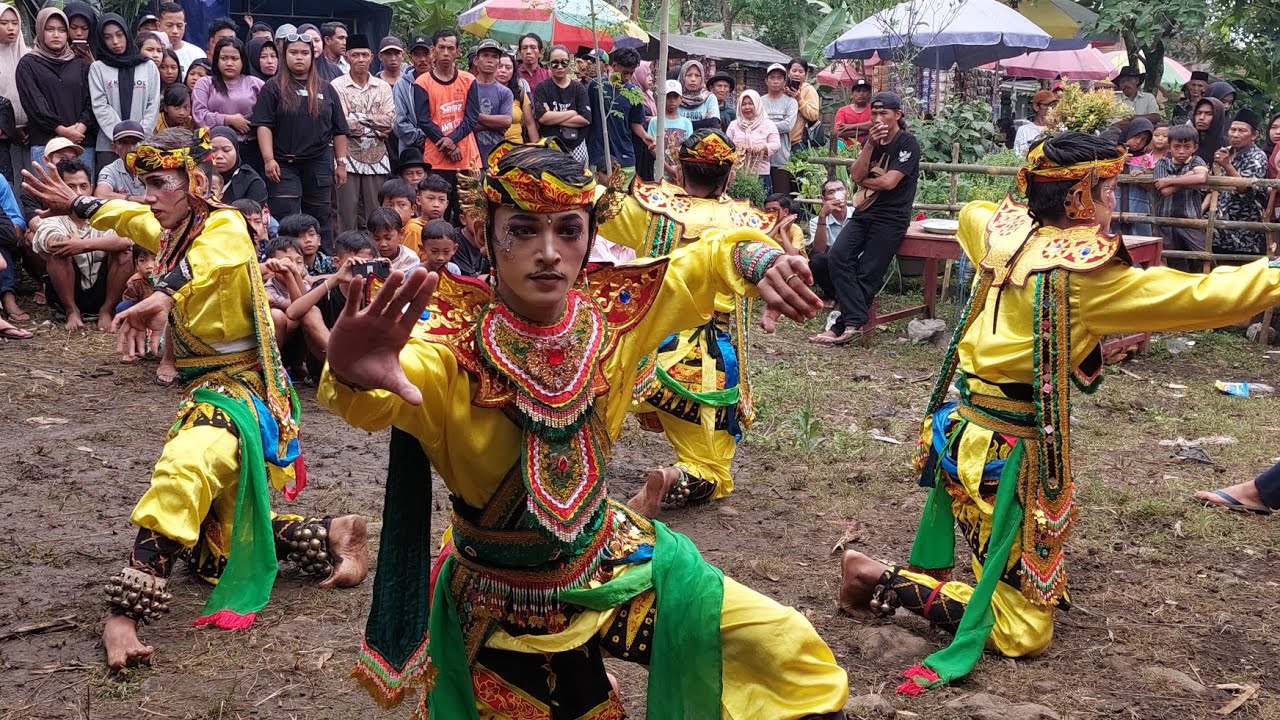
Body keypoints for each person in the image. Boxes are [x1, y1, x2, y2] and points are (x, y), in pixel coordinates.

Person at [320, 139, 849, 719]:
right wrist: (351, 371)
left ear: (590, 236)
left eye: (568, 230)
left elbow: (705, 259)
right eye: (522, 230)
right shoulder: (449, 344)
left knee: (791, 651)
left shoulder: (618, 310)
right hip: (504, 599)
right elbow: (389, 389)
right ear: (481, 233)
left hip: (609, 558)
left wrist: (758, 260)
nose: (549, 252)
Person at [836, 130, 1280, 694]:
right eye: (1108, 191)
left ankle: (1004, 575)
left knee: (1024, 553)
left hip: (961, 428)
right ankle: (875, 577)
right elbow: (1210, 296)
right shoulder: (1084, 279)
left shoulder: (997, 234)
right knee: (1024, 633)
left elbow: (976, 211)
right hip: (1003, 451)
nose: (1112, 204)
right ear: (1077, 200)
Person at [31, 129, 372, 669]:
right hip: (209, 384)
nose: (149, 195)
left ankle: (123, 615)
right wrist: (77, 202)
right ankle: (330, 531)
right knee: (216, 546)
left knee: (186, 465)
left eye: (160, 183)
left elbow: (209, 262)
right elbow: (123, 217)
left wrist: (163, 294)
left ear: (194, 183)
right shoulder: (169, 228)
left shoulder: (226, 226)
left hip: (239, 386)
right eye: (144, 183)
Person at [597, 129, 776, 513]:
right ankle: (680, 476)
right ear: (728, 177)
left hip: (638, 348)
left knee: (598, 418)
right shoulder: (746, 224)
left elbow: (594, 209)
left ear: (678, 172)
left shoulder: (651, 209)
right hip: (702, 363)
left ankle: (582, 469)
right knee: (714, 470)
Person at [811, 91, 920, 346]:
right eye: (875, 113)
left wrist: (863, 181)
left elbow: (889, 182)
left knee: (868, 271)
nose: (879, 118)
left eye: (884, 113)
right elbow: (854, 172)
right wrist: (869, 144)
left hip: (891, 218)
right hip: (864, 212)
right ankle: (853, 321)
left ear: (897, 115)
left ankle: (844, 325)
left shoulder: (907, 143)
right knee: (837, 256)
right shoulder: (870, 141)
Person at [252, 29, 350, 251]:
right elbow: (263, 125)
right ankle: (285, 263)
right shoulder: (273, 88)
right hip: (283, 163)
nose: (299, 57)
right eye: (293, 52)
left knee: (320, 218)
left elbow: (339, 130)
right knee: (286, 216)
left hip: (319, 162)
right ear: (284, 55)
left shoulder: (326, 88)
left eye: (304, 53)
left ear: (312, 55)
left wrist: (341, 163)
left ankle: (324, 265)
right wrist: (268, 159)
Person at [32, 157, 132, 331]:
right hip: (67, 293)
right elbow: (53, 242)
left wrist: (83, 245)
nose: (78, 193)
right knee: (58, 253)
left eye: (83, 186)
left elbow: (125, 240)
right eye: (70, 187)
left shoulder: (106, 214)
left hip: (103, 289)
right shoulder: (53, 218)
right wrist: (92, 244)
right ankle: (72, 312)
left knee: (125, 253)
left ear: (92, 188)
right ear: (59, 190)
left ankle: (107, 310)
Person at [17, 8, 95, 171]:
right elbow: (35, 104)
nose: (56, 35)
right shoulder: (28, 64)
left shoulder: (80, 62)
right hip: (45, 144)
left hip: (81, 143)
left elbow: (92, 99)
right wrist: (61, 130)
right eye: (49, 29)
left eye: (61, 30)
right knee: (48, 195)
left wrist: (81, 127)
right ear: (39, 30)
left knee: (82, 193)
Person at [415, 28, 480, 220]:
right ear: (432, 50)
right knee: (436, 213)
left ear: (458, 51)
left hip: (467, 158)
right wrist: (448, 145)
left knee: (469, 213)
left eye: (450, 48)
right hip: (436, 159)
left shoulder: (468, 80)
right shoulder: (423, 82)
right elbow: (423, 120)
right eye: (441, 47)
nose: (445, 53)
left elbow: (472, 118)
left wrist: (451, 141)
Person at [332, 34, 394, 233]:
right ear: (347, 57)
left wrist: (357, 119)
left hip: (377, 157)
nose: (360, 59)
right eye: (355, 55)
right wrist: (373, 122)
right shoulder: (337, 85)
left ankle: (376, 254)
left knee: (376, 213)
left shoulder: (383, 87)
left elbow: (389, 122)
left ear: (372, 57)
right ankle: (346, 254)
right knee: (346, 212)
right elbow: (340, 124)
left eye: (364, 55)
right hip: (346, 156)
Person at [89, 13, 160, 173]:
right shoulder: (98, 68)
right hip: (109, 145)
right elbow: (100, 105)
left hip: (142, 143)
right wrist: (120, 136)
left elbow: (153, 105)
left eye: (119, 35)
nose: (115, 42)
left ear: (127, 34)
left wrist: (137, 136)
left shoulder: (148, 66)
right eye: (108, 37)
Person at [193, 37, 264, 173]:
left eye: (234, 58)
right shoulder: (205, 83)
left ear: (243, 60)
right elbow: (199, 115)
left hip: (250, 149)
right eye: (224, 58)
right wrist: (228, 120)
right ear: (216, 60)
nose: (229, 63)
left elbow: (267, 115)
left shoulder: (256, 84)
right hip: (213, 148)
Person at [586, 46, 649, 183]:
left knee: (622, 199)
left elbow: (634, 122)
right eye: (625, 72)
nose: (628, 77)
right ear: (614, 66)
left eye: (631, 73)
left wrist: (644, 136)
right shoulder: (596, 87)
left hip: (624, 154)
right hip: (598, 154)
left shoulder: (634, 92)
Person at [1152, 124, 1209, 271]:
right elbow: (1164, 191)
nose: (1181, 151)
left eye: (1187, 147)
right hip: (1167, 221)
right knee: (1174, 260)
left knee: (1201, 256)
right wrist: (1188, 177)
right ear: (1169, 147)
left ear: (1194, 147)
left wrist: (1172, 180)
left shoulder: (1196, 160)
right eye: (1177, 147)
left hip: (1190, 220)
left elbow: (1201, 177)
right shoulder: (1163, 163)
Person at [1212, 108, 1268, 256]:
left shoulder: (1257, 157)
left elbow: (1244, 187)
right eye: (1233, 129)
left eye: (1242, 131)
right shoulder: (1225, 152)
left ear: (1254, 135)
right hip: (1220, 228)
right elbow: (1214, 185)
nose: (1235, 135)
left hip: (1245, 231)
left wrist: (1227, 166)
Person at [533, 45, 591, 166]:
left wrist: (552, 118)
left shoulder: (578, 88)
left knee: (580, 182)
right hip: (551, 146)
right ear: (549, 65)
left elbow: (586, 118)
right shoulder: (542, 87)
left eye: (564, 62)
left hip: (577, 145)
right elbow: (542, 118)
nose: (559, 67)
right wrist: (572, 112)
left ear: (569, 63)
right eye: (555, 63)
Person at [808, 178, 855, 303]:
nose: (836, 195)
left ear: (847, 193)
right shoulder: (816, 221)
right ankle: (835, 294)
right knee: (817, 259)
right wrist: (822, 217)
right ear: (824, 199)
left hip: (856, 262)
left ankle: (857, 292)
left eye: (840, 190)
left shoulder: (858, 216)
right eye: (831, 192)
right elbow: (819, 249)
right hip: (834, 265)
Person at [727, 89, 780, 194]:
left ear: (757, 104)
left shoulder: (768, 124)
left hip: (761, 174)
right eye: (744, 104)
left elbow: (777, 145)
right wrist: (737, 147)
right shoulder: (733, 125)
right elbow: (726, 145)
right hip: (737, 174)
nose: (747, 107)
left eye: (751, 103)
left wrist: (763, 147)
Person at [0, 2, 30, 191]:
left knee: (26, 183)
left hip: (29, 133)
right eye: (3, 23)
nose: (11, 28)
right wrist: (9, 128)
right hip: (2, 134)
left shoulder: (29, 56)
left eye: (14, 23)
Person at [469, 39, 514, 162]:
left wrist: (475, 116)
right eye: (485, 55)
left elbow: (506, 121)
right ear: (476, 60)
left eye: (494, 56)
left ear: (498, 62)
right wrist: (495, 124)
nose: (490, 60)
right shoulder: (466, 88)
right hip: (470, 154)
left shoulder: (504, 92)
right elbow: (465, 124)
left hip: (497, 156)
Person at [761, 63, 798, 197]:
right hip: (760, 157)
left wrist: (765, 125)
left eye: (779, 78)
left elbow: (788, 125)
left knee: (781, 196)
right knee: (761, 196)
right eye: (772, 77)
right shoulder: (759, 102)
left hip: (781, 157)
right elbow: (754, 123)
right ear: (766, 80)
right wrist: (775, 125)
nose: (776, 81)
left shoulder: (791, 102)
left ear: (784, 81)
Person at [647, 80, 695, 180]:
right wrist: (669, 169)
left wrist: (679, 170)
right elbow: (653, 150)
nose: (671, 100)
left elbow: (689, 149)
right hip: (661, 173)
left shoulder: (686, 123)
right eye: (668, 97)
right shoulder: (655, 122)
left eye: (675, 97)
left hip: (681, 173)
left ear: (681, 99)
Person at [392, 35, 430, 159]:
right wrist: (422, 138)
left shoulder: (441, 81)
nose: (422, 59)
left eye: (426, 54)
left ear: (433, 54)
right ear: (410, 57)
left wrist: (436, 138)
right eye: (417, 55)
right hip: (410, 149)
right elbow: (399, 121)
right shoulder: (401, 85)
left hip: (439, 146)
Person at [209, 125, 267, 205]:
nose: (219, 156)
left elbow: (254, 214)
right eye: (213, 150)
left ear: (236, 151)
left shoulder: (251, 181)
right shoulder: (197, 178)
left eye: (226, 150)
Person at [1116, 117, 1154, 236]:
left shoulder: (1146, 158)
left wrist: (1143, 174)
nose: (1138, 142)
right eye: (1136, 137)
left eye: (1143, 140)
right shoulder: (1114, 153)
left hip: (1137, 206)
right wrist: (1119, 160)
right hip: (1116, 204)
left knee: (1138, 235)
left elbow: (1152, 181)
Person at [94, 120, 146, 200]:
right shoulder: (110, 170)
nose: (130, 148)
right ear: (114, 147)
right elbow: (101, 195)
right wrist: (135, 199)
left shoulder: (154, 166)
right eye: (124, 143)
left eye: (134, 143)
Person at [497, 51, 538, 144]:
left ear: (513, 71)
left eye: (508, 68)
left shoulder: (520, 93)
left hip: (515, 148)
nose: (503, 70)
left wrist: (537, 148)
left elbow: (530, 124)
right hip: (490, 146)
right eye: (500, 66)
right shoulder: (482, 91)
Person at [278, 212, 335, 276]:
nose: (308, 240)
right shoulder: (284, 265)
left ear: (319, 239)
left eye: (311, 234)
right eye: (300, 236)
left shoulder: (332, 263)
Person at [157, 2, 204, 77]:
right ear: (158, 26)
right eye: (169, 25)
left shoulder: (197, 54)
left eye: (179, 26)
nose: (175, 31)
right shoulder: (152, 53)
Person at [366, 206, 418, 273]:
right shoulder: (367, 256)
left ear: (401, 234)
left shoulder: (410, 258)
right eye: (376, 239)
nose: (383, 244)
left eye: (388, 238)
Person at [675, 59, 721, 132]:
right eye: (689, 75)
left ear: (702, 77)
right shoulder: (675, 97)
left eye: (697, 75)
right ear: (683, 77)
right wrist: (704, 123)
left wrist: (684, 125)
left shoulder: (709, 98)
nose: (693, 79)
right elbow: (671, 124)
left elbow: (713, 123)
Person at [785, 58, 820, 151]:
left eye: (801, 71)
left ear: (805, 74)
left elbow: (813, 115)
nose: (797, 74)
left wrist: (799, 99)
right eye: (794, 71)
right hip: (779, 142)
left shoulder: (809, 90)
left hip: (798, 142)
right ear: (788, 72)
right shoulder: (781, 89)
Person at [1014, 89, 1056, 158]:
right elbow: (1017, 154)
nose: (1050, 109)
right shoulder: (1023, 130)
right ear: (1036, 107)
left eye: (1052, 106)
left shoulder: (1059, 128)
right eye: (1046, 105)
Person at [835, 77, 873, 149]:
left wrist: (850, 126)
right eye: (858, 91)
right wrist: (867, 131)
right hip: (847, 151)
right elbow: (839, 132)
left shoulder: (874, 109)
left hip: (870, 150)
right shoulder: (843, 111)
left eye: (864, 91)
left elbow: (875, 124)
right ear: (852, 94)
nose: (861, 94)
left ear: (869, 94)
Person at [1192, 96, 1227, 166]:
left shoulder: (1226, 146)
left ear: (1218, 117)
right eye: (1198, 113)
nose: (1201, 118)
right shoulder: (1186, 141)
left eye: (1209, 114)